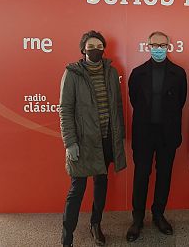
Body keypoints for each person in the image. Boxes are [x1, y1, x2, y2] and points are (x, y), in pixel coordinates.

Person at [59, 30, 126, 247]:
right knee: (77, 187)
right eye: (90, 46)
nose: (95, 50)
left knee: (101, 182)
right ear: (83, 49)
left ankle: (96, 224)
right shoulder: (72, 73)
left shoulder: (111, 72)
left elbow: (117, 107)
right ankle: (67, 232)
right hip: (82, 141)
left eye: (99, 46)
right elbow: (65, 110)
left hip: (106, 139)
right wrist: (70, 142)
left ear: (103, 49)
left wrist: (118, 136)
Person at [126, 31, 187, 242]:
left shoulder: (179, 73)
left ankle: (159, 214)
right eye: (155, 45)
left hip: (167, 134)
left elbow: (180, 102)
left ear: (168, 46)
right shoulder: (137, 73)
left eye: (162, 45)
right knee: (141, 175)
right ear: (148, 46)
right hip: (144, 133)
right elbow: (135, 100)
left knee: (164, 175)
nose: (158, 48)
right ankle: (138, 218)